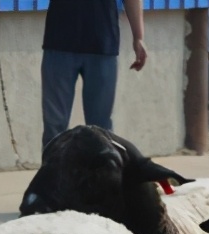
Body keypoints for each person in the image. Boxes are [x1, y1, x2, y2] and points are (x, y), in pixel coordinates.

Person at [40, 0, 147, 152]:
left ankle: (103, 175)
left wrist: (138, 36)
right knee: (54, 129)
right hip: (59, 43)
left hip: (103, 45)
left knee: (101, 132)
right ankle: (55, 175)